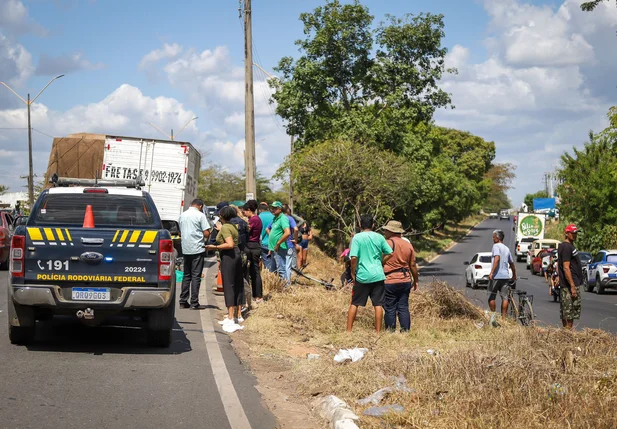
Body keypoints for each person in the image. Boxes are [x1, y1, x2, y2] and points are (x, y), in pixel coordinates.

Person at [346, 214, 393, 333]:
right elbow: (390, 253)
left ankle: (349, 331)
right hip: (378, 275)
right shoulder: (379, 237)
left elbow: (354, 258)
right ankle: (378, 332)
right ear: (373, 225)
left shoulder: (357, 238)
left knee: (354, 303)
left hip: (362, 275)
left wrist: (353, 272)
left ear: (360, 225)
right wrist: (381, 262)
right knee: (378, 304)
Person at [206, 206, 244, 325]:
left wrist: (214, 247)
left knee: (229, 285)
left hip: (229, 256)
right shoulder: (232, 226)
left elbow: (230, 244)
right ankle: (239, 314)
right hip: (237, 255)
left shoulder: (226, 228)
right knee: (238, 284)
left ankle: (230, 316)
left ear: (221, 215)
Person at [382, 221, 419, 332]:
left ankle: (390, 330)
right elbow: (412, 264)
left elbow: (379, 260)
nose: (385, 232)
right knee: (403, 306)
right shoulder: (408, 244)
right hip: (405, 280)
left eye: (386, 230)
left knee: (390, 307)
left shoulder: (387, 243)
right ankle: (405, 330)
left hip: (390, 280)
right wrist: (415, 280)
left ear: (391, 231)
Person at [178, 199, 211, 310]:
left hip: (186, 248)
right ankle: (194, 302)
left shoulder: (183, 215)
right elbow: (206, 232)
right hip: (197, 248)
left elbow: (180, 232)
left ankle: (183, 301)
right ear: (200, 206)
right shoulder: (200, 215)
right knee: (196, 276)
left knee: (186, 275)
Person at [488, 229, 517, 321]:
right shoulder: (507, 248)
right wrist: (514, 275)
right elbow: (512, 264)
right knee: (505, 298)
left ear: (497, 238)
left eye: (493, 237)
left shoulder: (496, 246)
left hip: (496, 276)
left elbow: (497, 258)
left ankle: (493, 318)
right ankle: (503, 319)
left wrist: (492, 272)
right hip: (505, 276)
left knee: (492, 297)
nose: (493, 239)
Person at [557, 224, 582, 330]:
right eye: (573, 233)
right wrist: (572, 286)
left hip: (569, 284)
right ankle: (567, 335)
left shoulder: (568, 246)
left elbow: (561, 265)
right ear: (567, 234)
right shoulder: (567, 247)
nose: (575, 235)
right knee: (569, 314)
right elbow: (566, 268)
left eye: (576, 233)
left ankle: (566, 334)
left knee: (568, 313)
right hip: (569, 286)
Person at [242, 200, 264, 304]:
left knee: (252, 272)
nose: (244, 214)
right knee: (253, 271)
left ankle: (257, 295)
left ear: (249, 210)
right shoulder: (256, 219)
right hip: (255, 246)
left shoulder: (253, 219)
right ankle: (256, 295)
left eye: (245, 211)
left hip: (252, 246)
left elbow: (247, 230)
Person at [268, 201, 291, 282]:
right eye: (272, 208)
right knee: (274, 269)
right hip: (274, 248)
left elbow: (287, 233)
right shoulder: (275, 218)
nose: (273, 210)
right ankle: (279, 286)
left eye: (275, 208)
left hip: (279, 248)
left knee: (281, 269)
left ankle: (285, 287)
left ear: (280, 209)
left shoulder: (283, 218)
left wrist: (278, 243)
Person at [258, 203, 274, 272]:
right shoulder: (273, 216)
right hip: (274, 243)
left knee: (266, 264)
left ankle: (269, 279)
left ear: (260, 210)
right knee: (274, 263)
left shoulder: (258, 217)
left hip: (263, 243)